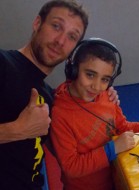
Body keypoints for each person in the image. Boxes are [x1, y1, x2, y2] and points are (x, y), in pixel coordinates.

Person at [0, 1, 120, 189]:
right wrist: (16, 130)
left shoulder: (50, 96)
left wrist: (102, 101)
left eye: (72, 37)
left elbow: (66, 155)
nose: (61, 41)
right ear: (37, 23)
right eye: (56, 26)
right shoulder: (3, 64)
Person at [50, 38, 139, 190]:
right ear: (72, 70)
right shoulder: (60, 114)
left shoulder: (107, 96)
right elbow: (71, 167)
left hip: (115, 177)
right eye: (90, 75)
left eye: (105, 79)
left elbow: (123, 127)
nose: (96, 86)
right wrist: (112, 149)